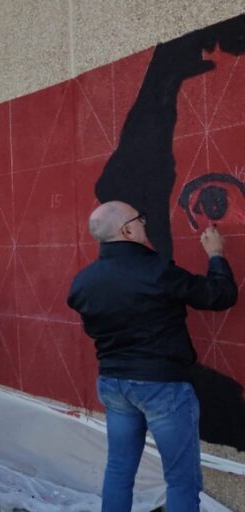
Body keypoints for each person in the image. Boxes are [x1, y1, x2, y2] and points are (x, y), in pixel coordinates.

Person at [67, 201, 237, 511]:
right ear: (127, 229)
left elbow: (94, 327)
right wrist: (216, 255)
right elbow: (219, 295)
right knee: (181, 479)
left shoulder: (83, 283)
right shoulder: (157, 271)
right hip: (162, 386)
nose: (145, 224)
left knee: (119, 470)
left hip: (114, 384)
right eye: (140, 219)